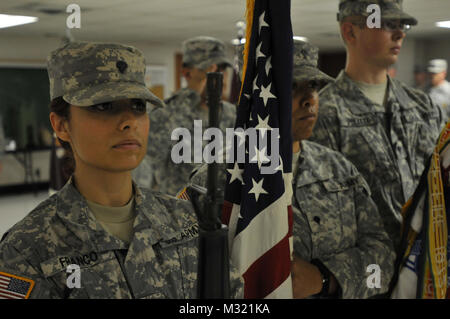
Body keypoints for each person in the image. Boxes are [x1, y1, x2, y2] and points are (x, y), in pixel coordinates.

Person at [0, 41, 243, 299]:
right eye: (103, 106)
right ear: (61, 125)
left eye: (138, 106)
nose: (129, 122)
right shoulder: (27, 249)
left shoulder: (185, 220)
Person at [188, 39, 395, 299]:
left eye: (314, 86)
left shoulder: (340, 170)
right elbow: (188, 278)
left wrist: (325, 278)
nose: (309, 99)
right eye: (292, 87)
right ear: (257, 95)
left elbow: (383, 261)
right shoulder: (216, 180)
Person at [310, 0, 445, 248]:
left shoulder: (424, 108)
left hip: (424, 271)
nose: (399, 33)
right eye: (386, 24)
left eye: (402, 25)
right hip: (365, 276)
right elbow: (322, 219)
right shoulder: (321, 115)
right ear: (350, 32)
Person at [133, 36, 236, 195]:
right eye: (208, 70)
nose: (218, 76)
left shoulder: (232, 114)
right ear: (187, 73)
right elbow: (146, 162)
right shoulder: (166, 114)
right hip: (180, 210)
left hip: (223, 211)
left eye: (221, 70)